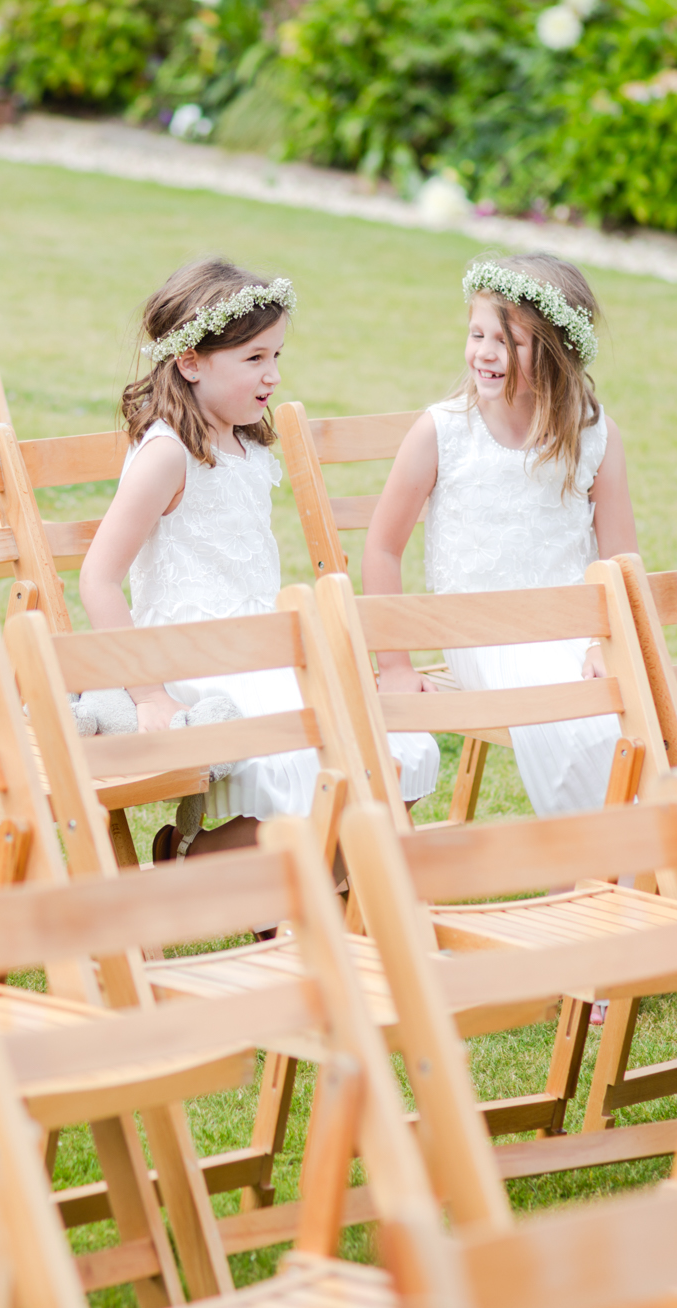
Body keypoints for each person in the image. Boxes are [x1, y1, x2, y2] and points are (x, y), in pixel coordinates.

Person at [81, 259, 441, 864]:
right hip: (189, 651)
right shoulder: (168, 455)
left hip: (259, 644)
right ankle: (213, 869)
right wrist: (148, 695)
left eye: (276, 356)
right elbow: (98, 578)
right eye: (253, 359)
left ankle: (314, 883)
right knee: (307, 751)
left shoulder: (243, 439)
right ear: (190, 362)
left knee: (399, 743)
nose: (272, 375)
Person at [362, 251, 637, 817]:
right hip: (483, 633)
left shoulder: (595, 435)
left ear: (557, 353)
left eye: (508, 341)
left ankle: (645, 874)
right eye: (477, 334)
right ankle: (587, 871)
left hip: (575, 629)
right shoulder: (442, 432)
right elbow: (382, 548)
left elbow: (621, 560)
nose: (485, 353)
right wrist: (395, 665)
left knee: (652, 709)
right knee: (575, 721)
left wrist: (599, 643)